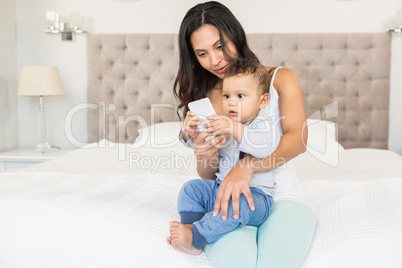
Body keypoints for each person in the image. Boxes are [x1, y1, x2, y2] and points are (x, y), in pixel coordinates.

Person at [171, 1, 316, 267]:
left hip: (280, 194)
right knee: (236, 261)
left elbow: (297, 140)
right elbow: (207, 173)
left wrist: (247, 166)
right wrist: (205, 149)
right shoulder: (208, 97)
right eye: (202, 53)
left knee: (275, 262)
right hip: (225, 199)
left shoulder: (279, 78)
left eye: (219, 46)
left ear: (235, 35)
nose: (215, 60)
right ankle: (196, 234)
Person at [168, 58, 279, 254]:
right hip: (220, 189)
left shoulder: (265, 124)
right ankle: (190, 226)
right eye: (227, 96)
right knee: (191, 188)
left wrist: (233, 128)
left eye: (240, 96)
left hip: (256, 197)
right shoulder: (226, 122)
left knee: (240, 205)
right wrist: (194, 132)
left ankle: (197, 237)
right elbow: (203, 149)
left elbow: (265, 149)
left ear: (263, 100)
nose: (231, 102)